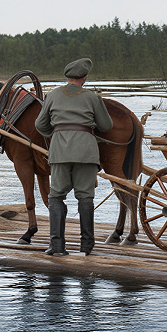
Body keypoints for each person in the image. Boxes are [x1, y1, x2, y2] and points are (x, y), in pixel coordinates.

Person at [35, 58, 114, 256]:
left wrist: (58, 133)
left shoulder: (53, 95)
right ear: (85, 77)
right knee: (85, 197)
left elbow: (40, 125)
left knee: (56, 196)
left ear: (68, 76)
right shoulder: (93, 97)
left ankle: (57, 246)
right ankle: (86, 246)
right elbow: (106, 126)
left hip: (60, 151)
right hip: (86, 152)